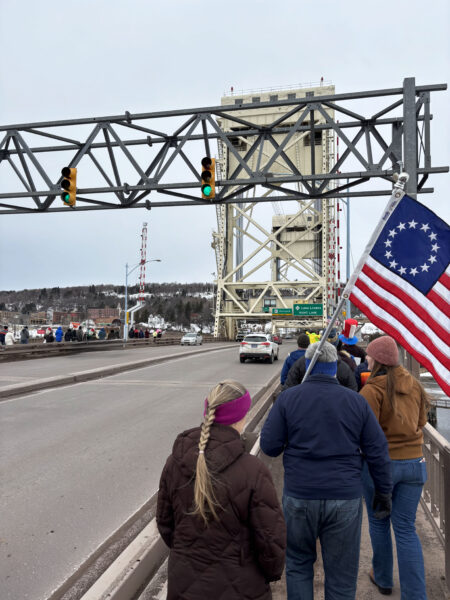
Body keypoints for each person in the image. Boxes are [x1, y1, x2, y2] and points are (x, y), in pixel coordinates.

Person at [261, 341, 392, 600]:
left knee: (298, 565)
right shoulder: (356, 402)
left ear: (308, 365)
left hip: (300, 494)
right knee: (342, 575)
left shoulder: (288, 398)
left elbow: (269, 446)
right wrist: (383, 491)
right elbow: (378, 451)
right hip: (344, 496)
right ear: (335, 367)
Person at [156, 380, 286, 600]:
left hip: (184, 584)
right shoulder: (253, 470)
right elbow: (270, 540)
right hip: (242, 586)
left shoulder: (175, 462)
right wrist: (270, 573)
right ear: (240, 417)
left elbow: (165, 524)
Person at [360, 335, 429, 599]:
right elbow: (421, 422)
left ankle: (383, 578)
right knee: (406, 528)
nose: (366, 358)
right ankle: (415, 594)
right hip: (415, 464)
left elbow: (365, 433)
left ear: (377, 360)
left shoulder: (372, 390)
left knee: (379, 523)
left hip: (382, 467)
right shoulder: (414, 385)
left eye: (369, 355)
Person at [283, 330, 357, 391]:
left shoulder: (301, 363)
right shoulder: (346, 364)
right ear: (337, 343)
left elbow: (288, 387)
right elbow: (353, 389)